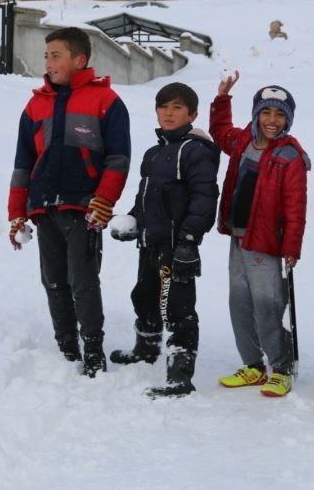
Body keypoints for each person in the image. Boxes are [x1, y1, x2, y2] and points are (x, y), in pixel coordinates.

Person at [7, 27, 131, 377]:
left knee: (83, 281)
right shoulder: (36, 105)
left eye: (56, 55)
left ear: (80, 59)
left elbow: (118, 159)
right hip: (45, 209)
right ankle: (66, 346)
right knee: (54, 281)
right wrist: (17, 213)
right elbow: (23, 164)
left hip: (84, 209)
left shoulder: (105, 102)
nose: (48, 63)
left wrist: (104, 200)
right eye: (47, 56)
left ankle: (92, 348)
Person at [108, 82, 220, 398]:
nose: (168, 113)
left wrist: (188, 240)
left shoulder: (195, 152)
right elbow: (146, 197)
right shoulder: (154, 153)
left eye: (176, 107)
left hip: (176, 246)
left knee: (177, 307)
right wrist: (131, 220)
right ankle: (145, 349)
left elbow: (204, 198)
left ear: (192, 114)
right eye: (163, 107)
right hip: (150, 242)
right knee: (144, 296)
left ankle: (180, 375)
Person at [210, 70, 309, 398]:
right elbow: (219, 131)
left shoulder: (290, 156)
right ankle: (252, 365)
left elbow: (296, 207)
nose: (272, 120)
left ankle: (280, 367)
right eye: (265, 112)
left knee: (267, 304)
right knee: (239, 303)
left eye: (280, 114)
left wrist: (292, 246)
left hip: (267, 243)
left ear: (288, 120)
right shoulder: (242, 142)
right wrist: (223, 98)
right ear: (255, 115)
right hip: (239, 239)